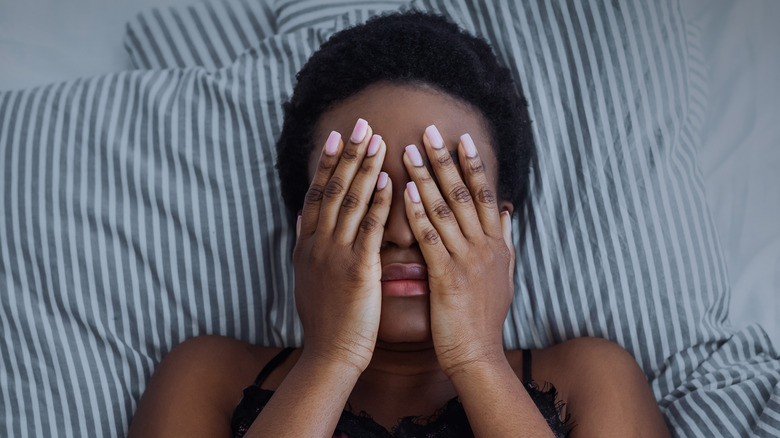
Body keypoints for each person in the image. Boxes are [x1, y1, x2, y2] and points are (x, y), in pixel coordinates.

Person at [129, 11, 670, 438]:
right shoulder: (207, 378)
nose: (404, 233)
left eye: (440, 197)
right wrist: (329, 359)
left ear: (503, 233)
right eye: (366, 196)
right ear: (304, 229)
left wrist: (477, 360)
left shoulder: (593, 380)